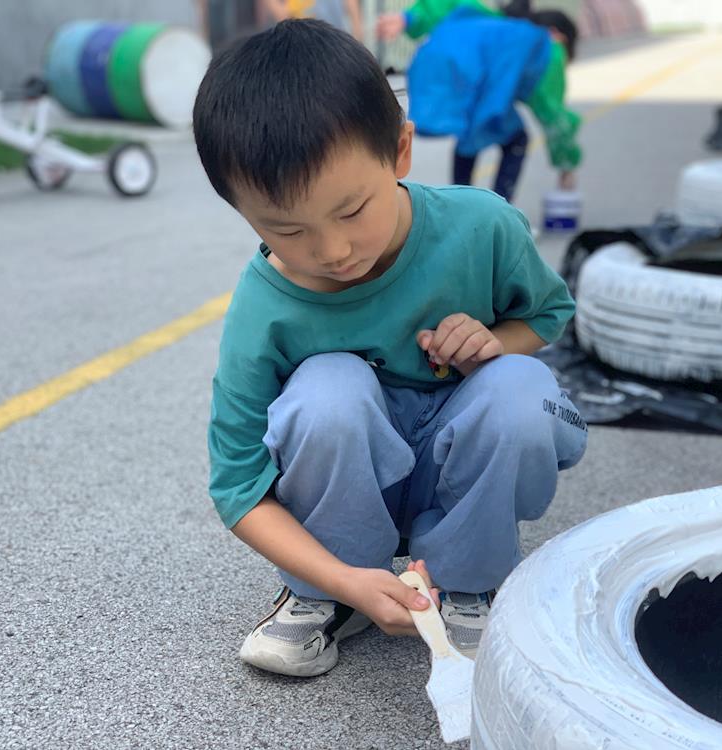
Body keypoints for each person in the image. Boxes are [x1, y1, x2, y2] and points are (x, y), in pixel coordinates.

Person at [192, 19, 587, 677]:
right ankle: (328, 592)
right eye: (286, 229)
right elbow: (237, 486)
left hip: (456, 458)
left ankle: (469, 580)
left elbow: (549, 313)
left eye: (351, 211)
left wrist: (493, 343)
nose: (332, 250)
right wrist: (343, 578)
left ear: (400, 150)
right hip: (347, 486)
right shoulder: (263, 308)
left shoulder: (481, 226)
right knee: (326, 391)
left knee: (520, 389)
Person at [378, 2, 581, 202]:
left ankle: (460, 203)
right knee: (515, 138)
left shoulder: (495, 22)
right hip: (469, 78)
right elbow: (554, 115)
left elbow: (452, 4)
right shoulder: (547, 47)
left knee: (472, 136)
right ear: (557, 34)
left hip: (431, 64)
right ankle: (500, 209)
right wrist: (567, 163)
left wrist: (410, 18)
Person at [264, 0, 364, 39]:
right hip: (300, 40)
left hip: (334, 38)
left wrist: (357, 28)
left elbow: (350, 3)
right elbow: (282, 16)